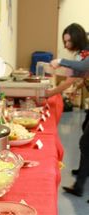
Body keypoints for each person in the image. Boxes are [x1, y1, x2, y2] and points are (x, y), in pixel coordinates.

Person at [47, 23, 89, 198]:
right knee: (85, 134)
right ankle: (82, 170)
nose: (66, 45)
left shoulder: (86, 54)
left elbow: (80, 68)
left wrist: (60, 61)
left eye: (68, 41)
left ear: (76, 38)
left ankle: (79, 184)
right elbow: (74, 77)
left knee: (85, 143)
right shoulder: (82, 54)